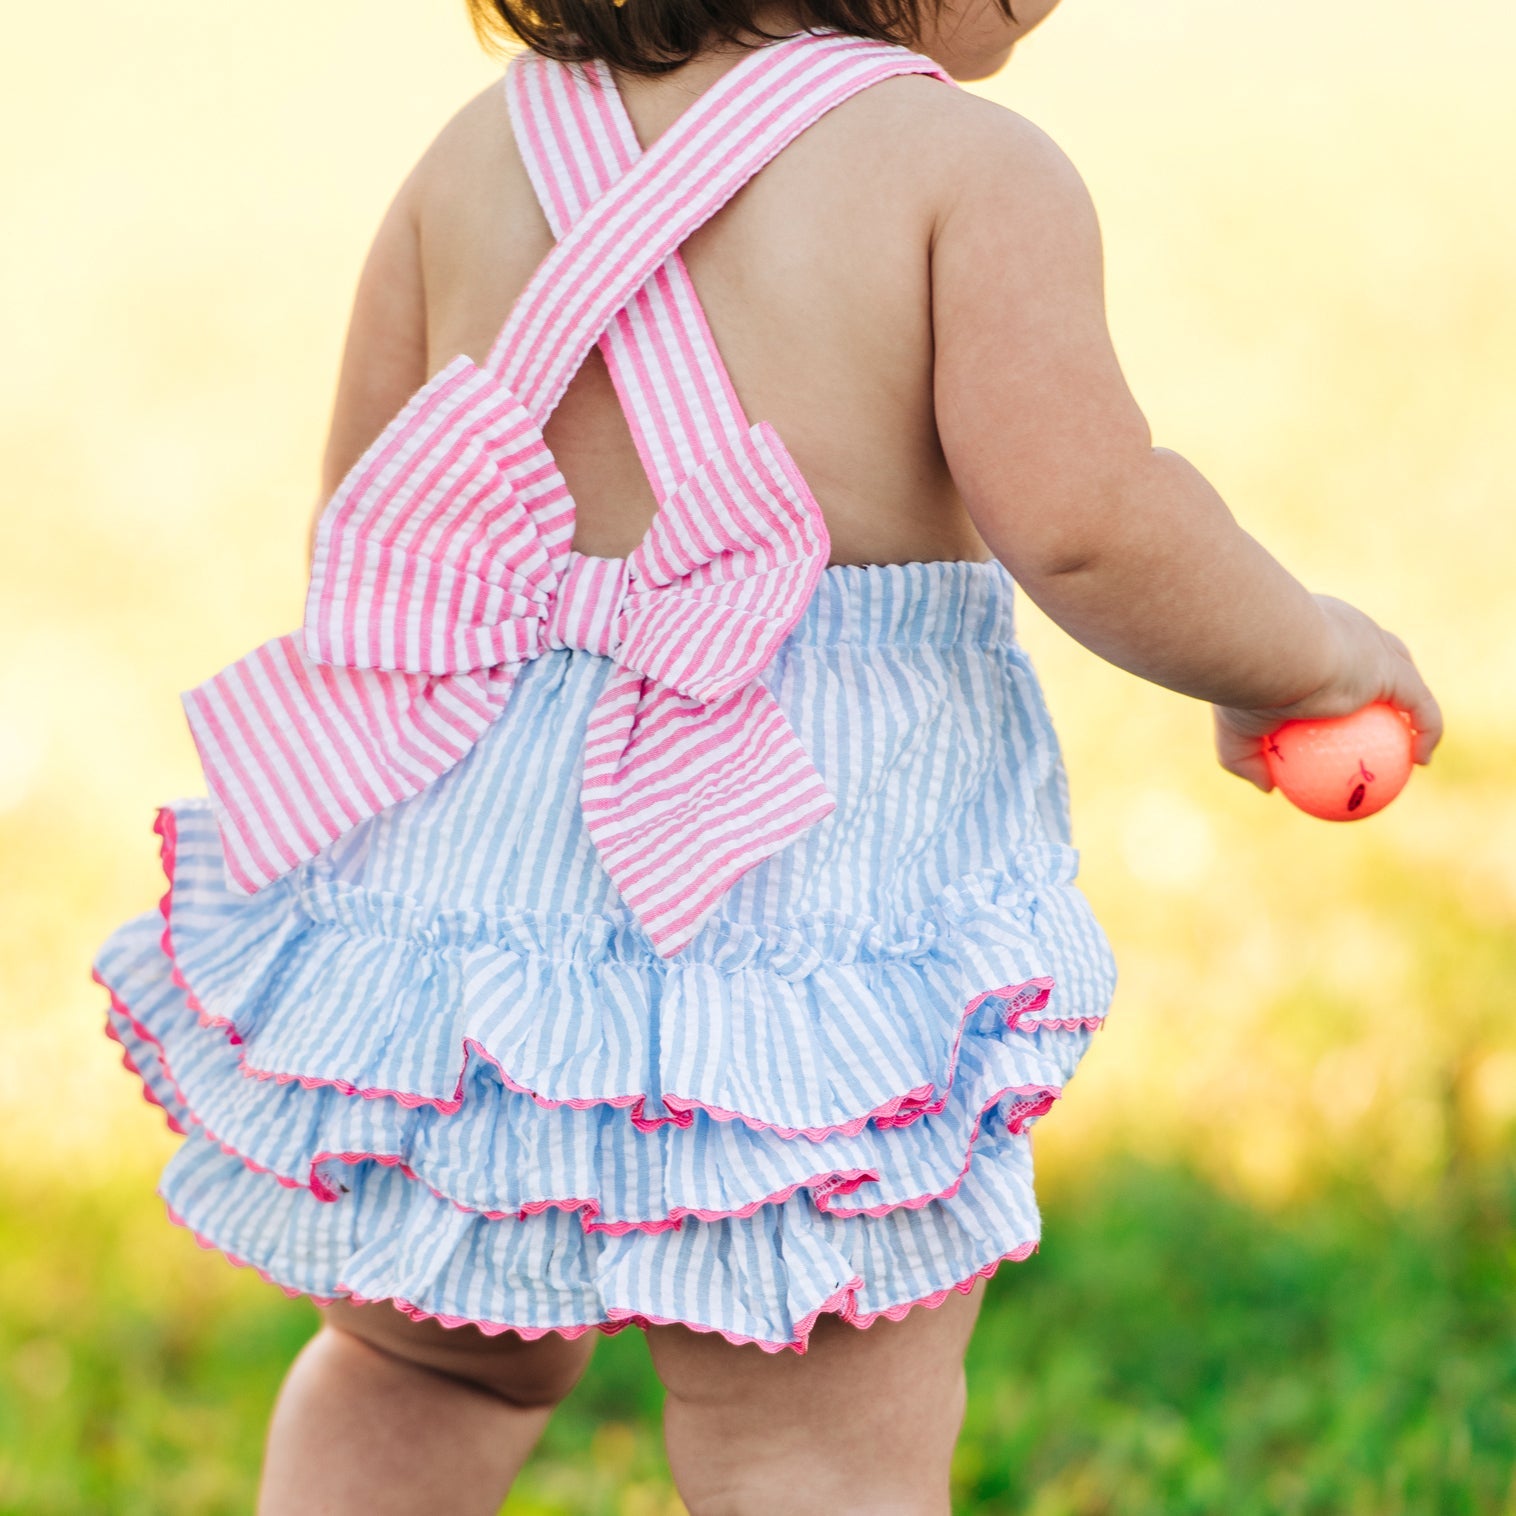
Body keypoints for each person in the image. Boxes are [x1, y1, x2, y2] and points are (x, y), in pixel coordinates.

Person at [90, 0, 1442, 1510]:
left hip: (467, 897)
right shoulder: (963, 169)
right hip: (784, 865)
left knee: (423, 1359)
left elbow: (374, 514)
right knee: (807, 1436)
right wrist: (1302, 653)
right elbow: (1088, 519)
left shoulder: (481, 151)